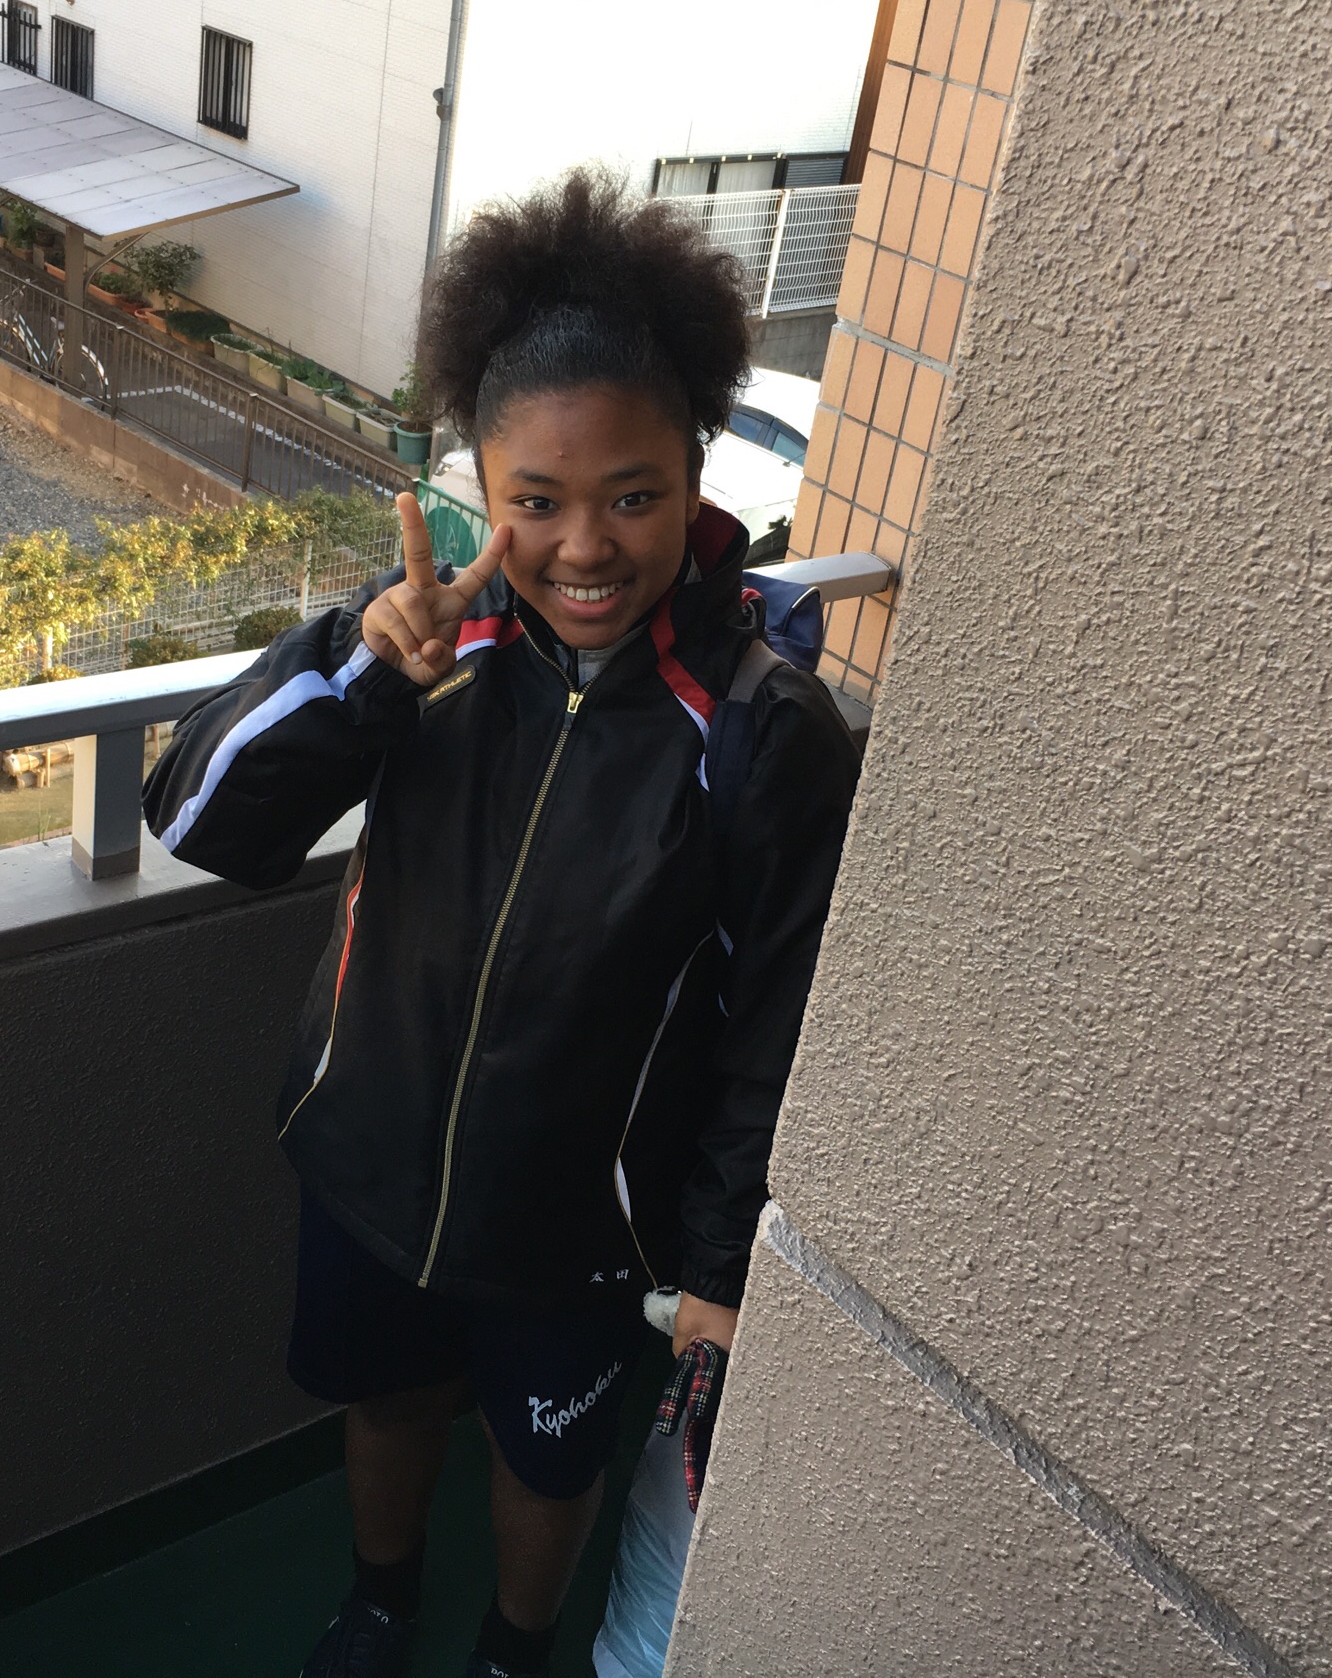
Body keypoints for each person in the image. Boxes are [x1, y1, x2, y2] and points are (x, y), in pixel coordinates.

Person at [141, 168, 860, 1678]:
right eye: (537, 501)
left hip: (584, 1228)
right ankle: (380, 1600)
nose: (582, 546)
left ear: (695, 468)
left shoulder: (761, 725)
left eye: (632, 496)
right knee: (389, 1404)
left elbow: (777, 1032)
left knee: (546, 1462)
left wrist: (718, 1268)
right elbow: (198, 820)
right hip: (371, 1167)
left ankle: (514, 1651)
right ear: (482, 484)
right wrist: (359, 674)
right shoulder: (425, 644)